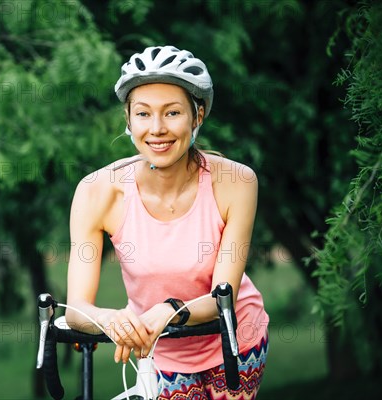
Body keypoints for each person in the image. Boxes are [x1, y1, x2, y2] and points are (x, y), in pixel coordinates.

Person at [65, 45, 269, 399]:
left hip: (235, 339)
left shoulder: (237, 182)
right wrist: (111, 319)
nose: (157, 129)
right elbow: (77, 309)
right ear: (128, 120)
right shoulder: (95, 191)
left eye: (172, 112)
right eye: (143, 114)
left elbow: (224, 299)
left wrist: (171, 308)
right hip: (159, 348)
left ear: (197, 116)